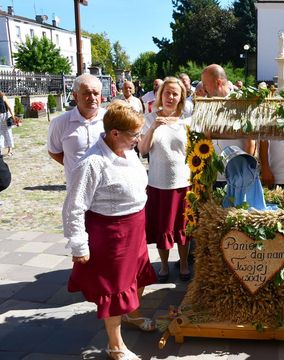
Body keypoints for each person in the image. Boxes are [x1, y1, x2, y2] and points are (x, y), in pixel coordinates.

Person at [63, 102, 157, 360]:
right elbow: (73, 207)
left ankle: (132, 315)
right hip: (111, 233)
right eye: (134, 135)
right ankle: (115, 346)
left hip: (134, 227)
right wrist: (79, 245)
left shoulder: (127, 151)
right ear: (115, 133)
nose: (139, 139)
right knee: (115, 288)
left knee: (137, 276)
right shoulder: (92, 163)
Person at [137, 77, 192, 283]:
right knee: (162, 227)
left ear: (181, 97)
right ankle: (164, 265)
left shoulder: (187, 121)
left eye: (175, 94)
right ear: (160, 95)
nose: (170, 97)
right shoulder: (149, 118)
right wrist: (153, 128)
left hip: (182, 183)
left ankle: (184, 263)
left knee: (183, 227)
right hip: (158, 182)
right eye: (167, 93)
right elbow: (142, 150)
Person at [48, 74, 106, 189]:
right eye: (87, 93)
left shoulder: (110, 119)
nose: (92, 98)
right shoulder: (60, 123)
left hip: (106, 188)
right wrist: (76, 166)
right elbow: (54, 151)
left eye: (96, 93)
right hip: (77, 189)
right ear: (75, 96)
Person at [201, 64, 255, 186]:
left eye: (205, 83)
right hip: (215, 176)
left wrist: (244, 172)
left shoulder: (241, 104)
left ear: (218, 82)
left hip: (238, 175)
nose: (203, 88)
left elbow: (250, 142)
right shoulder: (207, 105)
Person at [0, 91, 15, 157]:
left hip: (4, 117)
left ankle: (10, 150)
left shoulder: (3, 97)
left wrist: (13, 117)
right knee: (0, 134)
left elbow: (9, 107)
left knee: (8, 133)